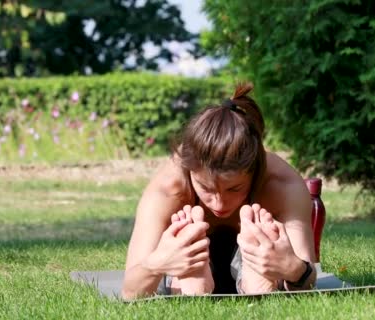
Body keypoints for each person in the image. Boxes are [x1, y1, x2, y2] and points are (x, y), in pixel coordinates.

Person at [121, 82, 316, 300]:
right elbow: (130, 290)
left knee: (268, 254)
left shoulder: (282, 184)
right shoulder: (167, 189)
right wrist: (158, 264)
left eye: (234, 188)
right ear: (189, 170)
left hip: (259, 256)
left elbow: (307, 282)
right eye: (205, 188)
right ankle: (189, 276)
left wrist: (293, 268)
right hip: (181, 259)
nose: (219, 204)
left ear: (255, 170)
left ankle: (256, 269)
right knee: (175, 253)